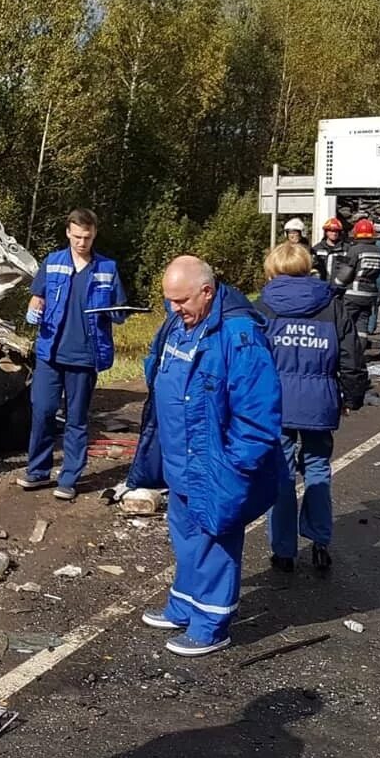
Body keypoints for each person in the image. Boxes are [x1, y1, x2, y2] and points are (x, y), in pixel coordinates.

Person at [126, 256, 283, 657]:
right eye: (169, 301)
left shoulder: (240, 336)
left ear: (207, 292)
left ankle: (212, 625)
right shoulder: (179, 321)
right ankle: (184, 603)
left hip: (215, 461)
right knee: (186, 536)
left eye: (180, 300)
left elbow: (258, 413)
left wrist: (236, 465)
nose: (173, 309)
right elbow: (156, 366)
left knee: (215, 538)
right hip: (179, 458)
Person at [256, 243, 368, 575]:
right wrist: (352, 396)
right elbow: (351, 356)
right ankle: (320, 542)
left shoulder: (262, 307)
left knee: (282, 474)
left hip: (275, 403)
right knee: (318, 467)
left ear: (272, 270)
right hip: (320, 400)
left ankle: (283, 549)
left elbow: (251, 358)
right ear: (308, 268)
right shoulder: (332, 305)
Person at [18, 208, 129, 501]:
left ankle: (69, 478)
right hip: (50, 352)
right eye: (77, 236)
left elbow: (120, 309)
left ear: (94, 235)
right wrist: (33, 308)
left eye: (88, 237)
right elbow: (38, 294)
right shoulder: (53, 263)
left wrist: (118, 314)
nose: (82, 242)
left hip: (85, 355)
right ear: (68, 232)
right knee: (42, 411)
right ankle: (38, 471)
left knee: (76, 419)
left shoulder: (107, 268)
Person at [342, 220, 380, 339]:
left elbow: (345, 272)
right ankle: (361, 352)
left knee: (345, 323)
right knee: (362, 325)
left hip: (353, 293)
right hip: (370, 293)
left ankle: (347, 353)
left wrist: (337, 284)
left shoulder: (354, 250)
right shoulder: (379, 251)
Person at [311, 218, 349, 285]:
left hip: (339, 288)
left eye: (336, 231)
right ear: (326, 232)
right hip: (321, 286)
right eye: (331, 231)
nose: (334, 233)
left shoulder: (346, 249)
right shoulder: (316, 249)